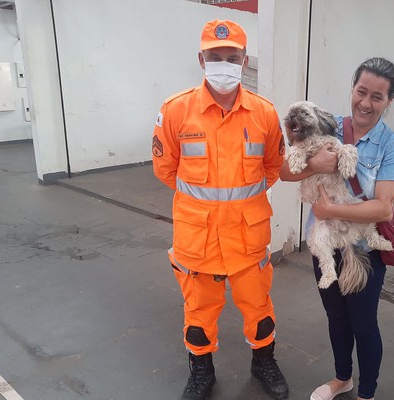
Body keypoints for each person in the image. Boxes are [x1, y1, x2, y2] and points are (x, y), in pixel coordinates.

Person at [152, 19, 289, 400]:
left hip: (247, 237)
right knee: (198, 316)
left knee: (259, 311)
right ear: (201, 59)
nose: (224, 63)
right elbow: (166, 170)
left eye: (232, 57)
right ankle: (202, 373)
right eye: (216, 56)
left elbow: (274, 168)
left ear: (245, 62)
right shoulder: (177, 111)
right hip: (198, 239)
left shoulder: (264, 114)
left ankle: (264, 363)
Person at [280, 57, 394, 400]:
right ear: (352, 89)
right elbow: (284, 172)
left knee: (363, 324)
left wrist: (330, 208)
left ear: (389, 101)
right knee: (336, 317)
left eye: (377, 97)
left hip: (362, 248)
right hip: (324, 244)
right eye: (361, 91)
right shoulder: (327, 125)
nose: (365, 103)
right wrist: (313, 164)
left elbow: (383, 207)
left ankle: (366, 391)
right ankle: (342, 379)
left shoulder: (391, 146)